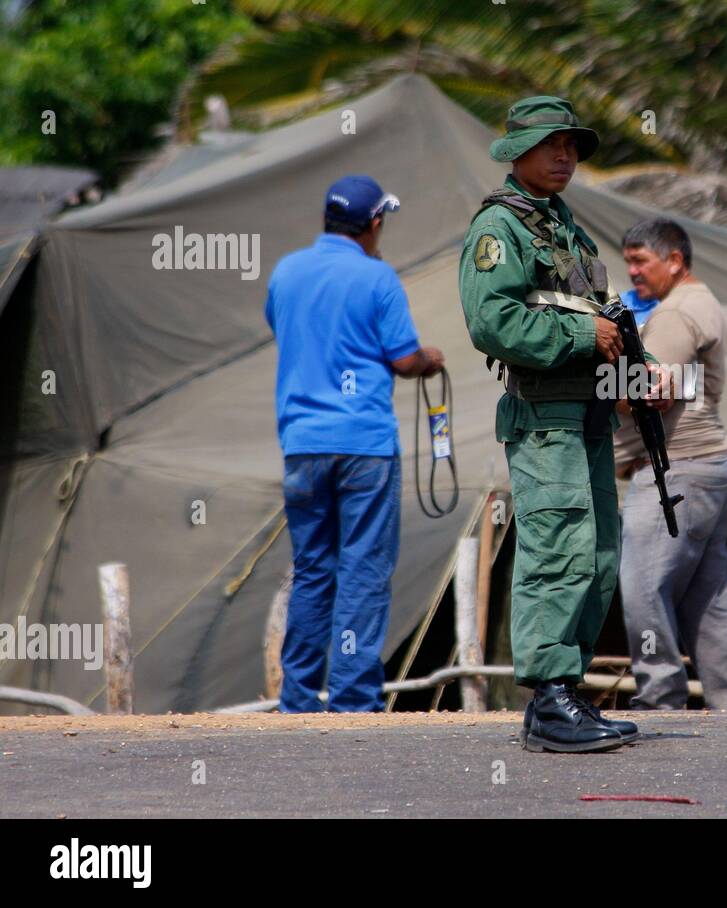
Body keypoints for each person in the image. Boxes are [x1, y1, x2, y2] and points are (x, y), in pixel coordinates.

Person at [458, 96, 670, 752]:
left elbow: (602, 314)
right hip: (545, 417)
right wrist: (587, 334)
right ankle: (548, 698)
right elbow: (492, 320)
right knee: (559, 552)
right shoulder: (502, 228)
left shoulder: (564, 227)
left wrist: (643, 370)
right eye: (552, 144)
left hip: (589, 414)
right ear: (516, 151)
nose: (565, 156)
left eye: (572, 146)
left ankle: (566, 692)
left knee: (600, 555)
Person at [266, 175, 443, 712]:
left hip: (302, 445)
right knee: (363, 569)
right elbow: (403, 359)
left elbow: (286, 331)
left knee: (313, 569)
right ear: (373, 224)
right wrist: (430, 360)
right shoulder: (377, 277)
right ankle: (351, 701)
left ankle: (297, 698)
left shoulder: (286, 271)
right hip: (364, 445)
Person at [615, 217, 727, 711]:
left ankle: (659, 700)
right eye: (628, 260)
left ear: (674, 261)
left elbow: (641, 391)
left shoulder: (674, 315)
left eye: (640, 261)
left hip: (675, 472)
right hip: (714, 469)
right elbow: (679, 380)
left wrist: (602, 371)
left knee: (642, 589)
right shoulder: (704, 303)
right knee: (707, 597)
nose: (632, 271)